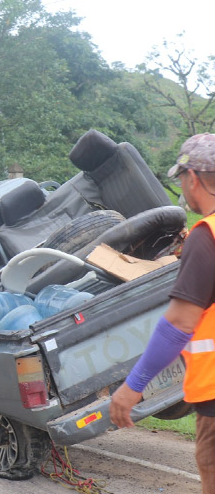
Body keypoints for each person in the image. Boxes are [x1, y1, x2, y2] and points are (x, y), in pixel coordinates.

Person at [109, 133, 215, 493]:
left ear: (194, 178)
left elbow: (177, 326)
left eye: (181, 179)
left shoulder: (207, 236)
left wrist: (134, 385)